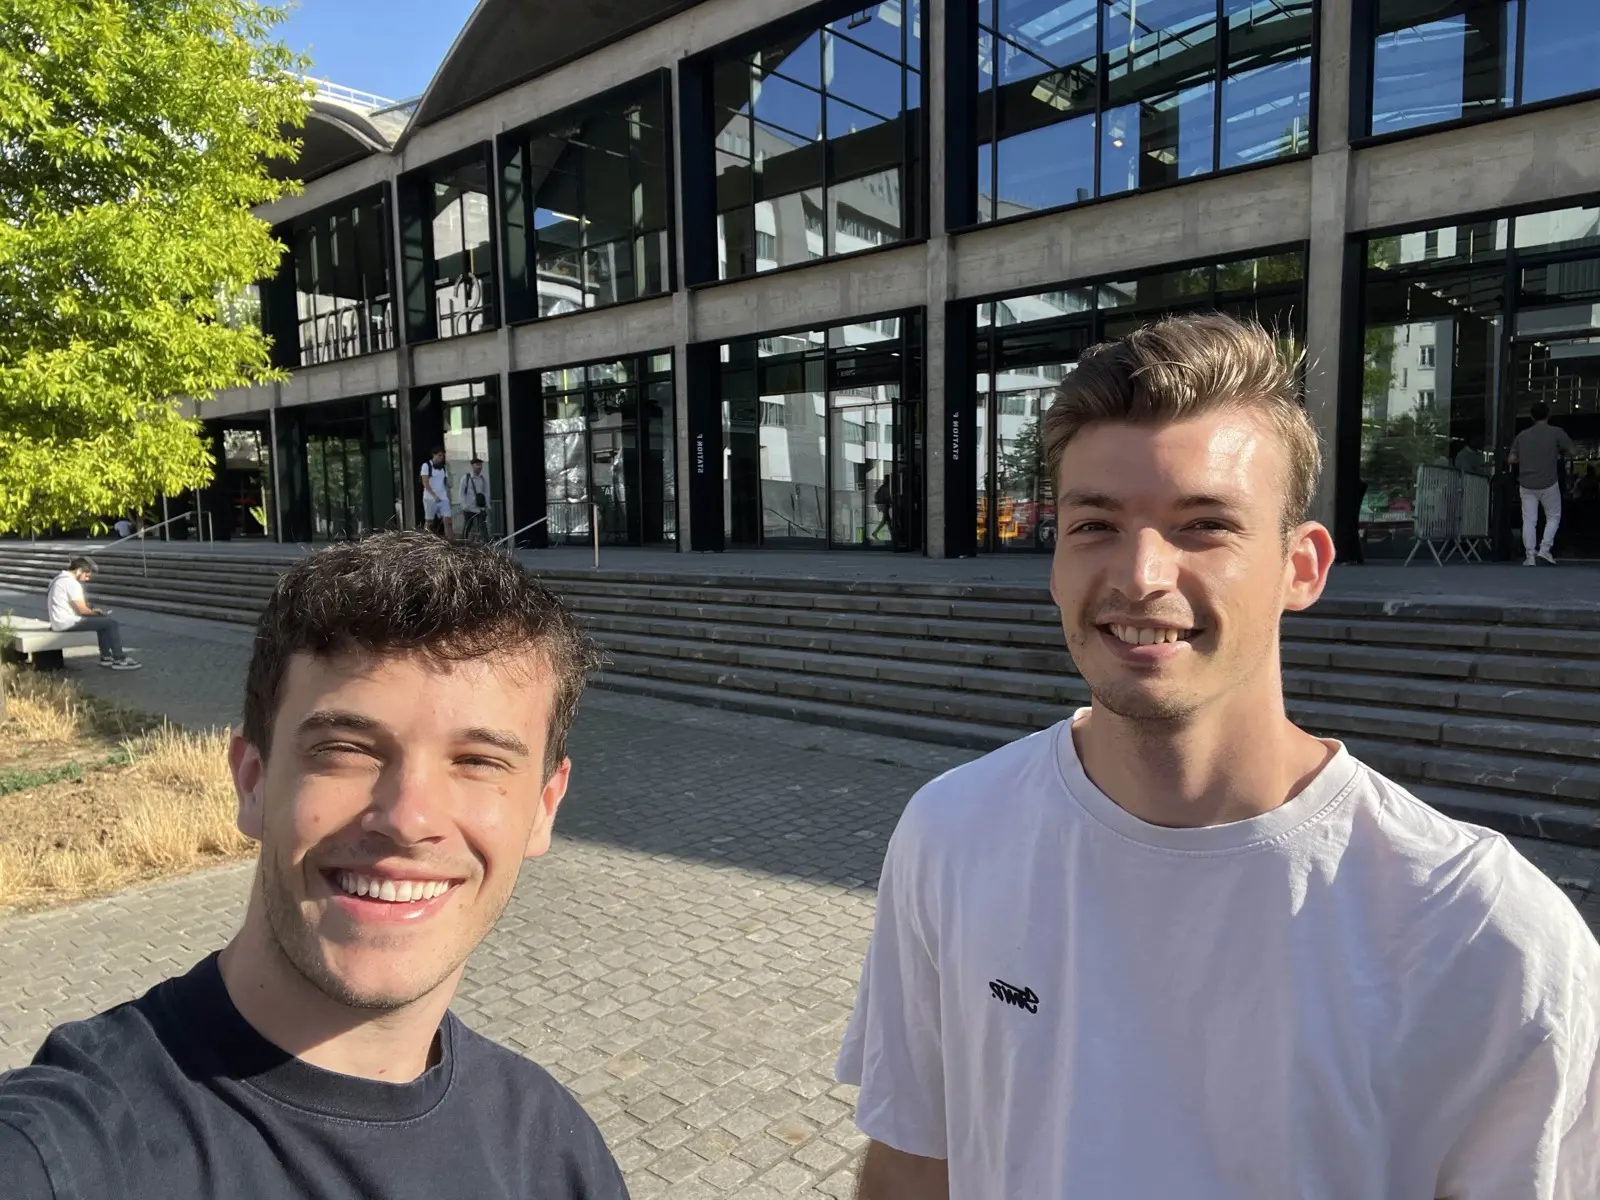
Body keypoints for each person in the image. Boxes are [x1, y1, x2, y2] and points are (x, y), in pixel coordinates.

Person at [838, 314, 1600, 1200]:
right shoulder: (952, 834)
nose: (1141, 575)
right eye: (1095, 524)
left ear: (1301, 568)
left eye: (1203, 524)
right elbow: (914, 1161)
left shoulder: (1485, 933)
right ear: (1054, 563)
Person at [0, 534, 627, 1199]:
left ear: (544, 807)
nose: (408, 818)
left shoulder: (554, 1152)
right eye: (345, 749)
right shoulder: (58, 1155)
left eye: (478, 761)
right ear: (252, 782)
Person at [45, 556, 141, 671]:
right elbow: (82, 611)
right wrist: (98, 614)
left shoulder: (58, 579)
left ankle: (106, 657)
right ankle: (119, 659)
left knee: (103, 624)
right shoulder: (71, 583)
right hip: (66, 622)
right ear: (79, 570)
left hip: (58, 621)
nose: (87, 579)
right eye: (87, 575)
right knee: (111, 623)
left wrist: (94, 613)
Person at [1510, 401, 1576, 565]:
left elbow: (1511, 459)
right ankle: (1545, 550)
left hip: (1526, 483)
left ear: (1531, 417)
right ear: (1548, 414)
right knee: (1553, 517)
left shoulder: (1522, 435)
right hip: (1549, 482)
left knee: (1529, 520)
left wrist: (1525, 458)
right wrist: (1560, 452)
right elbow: (1572, 451)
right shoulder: (1556, 432)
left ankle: (1530, 556)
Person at [419, 447, 453, 539]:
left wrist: (447, 495)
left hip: (442, 496)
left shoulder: (443, 468)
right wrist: (434, 495)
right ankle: (426, 540)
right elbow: (425, 483)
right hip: (430, 497)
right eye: (439, 455)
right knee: (429, 522)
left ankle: (450, 540)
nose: (441, 457)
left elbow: (445, 483)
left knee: (448, 520)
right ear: (434, 455)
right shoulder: (426, 466)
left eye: (442, 456)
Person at [458, 455, 490, 541]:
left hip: (480, 508)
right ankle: (462, 543)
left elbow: (486, 492)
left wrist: (487, 505)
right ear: (472, 466)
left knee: (483, 527)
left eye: (480, 465)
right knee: (467, 526)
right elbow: (461, 493)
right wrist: (464, 505)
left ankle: (486, 544)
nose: (479, 467)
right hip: (469, 507)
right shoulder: (466, 478)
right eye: (477, 465)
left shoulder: (482, 479)